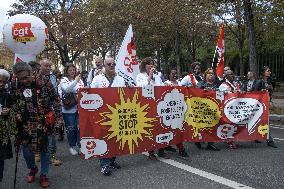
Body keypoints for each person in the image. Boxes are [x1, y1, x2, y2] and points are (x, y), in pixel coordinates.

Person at [11, 62, 62, 188]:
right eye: (21, 78)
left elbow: (56, 99)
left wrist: (59, 117)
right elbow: (13, 101)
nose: (24, 80)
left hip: (44, 123)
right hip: (25, 124)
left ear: (31, 73)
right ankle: (33, 168)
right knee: (27, 152)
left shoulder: (44, 82)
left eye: (26, 77)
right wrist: (16, 112)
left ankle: (44, 174)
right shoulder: (15, 85)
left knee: (45, 150)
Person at [90, 57, 124, 176]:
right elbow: (91, 94)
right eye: (109, 64)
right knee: (104, 139)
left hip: (117, 114)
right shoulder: (97, 78)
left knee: (115, 139)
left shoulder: (120, 79)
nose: (111, 65)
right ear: (104, 65)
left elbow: (124, 96)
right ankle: (104, 165)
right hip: (101, 114)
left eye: (113, 64)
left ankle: (112, 160)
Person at [136, 57, 169, 160]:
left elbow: (161, 87)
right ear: (144, 66)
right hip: (147, 106)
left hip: (159, 105)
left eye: (153, 64)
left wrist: (168, 85)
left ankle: (161, 150)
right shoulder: (140, 76)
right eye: (149, 64)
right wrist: (149, 77)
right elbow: (141, 88)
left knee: (161, 127)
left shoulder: (158, 76)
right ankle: (150, 152)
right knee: (151, 129)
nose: (151, 66)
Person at [38, 59, 62, 166]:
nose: (48, 68)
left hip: (48, 114)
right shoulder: (32, 79)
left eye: (50, 66)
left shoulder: (50, 79)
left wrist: (59, 116)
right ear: (40, 66)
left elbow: (55, 98)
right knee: (38, 137)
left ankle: (52, 157)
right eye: (46, 66)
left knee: (51, 138)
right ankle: (39, 154)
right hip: (35, 116)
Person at [59, 63, 84, 155]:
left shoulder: (79, 80)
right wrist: (76, 81)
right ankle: (72, 146)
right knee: (71, 128)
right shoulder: (64, 80)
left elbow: (81, 90)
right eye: (70, 70)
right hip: (69, 109)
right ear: (66, 71)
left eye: (73, 70)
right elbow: (66, 89)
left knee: (80, 128)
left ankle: (80, 145)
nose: (72, 72)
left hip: (80, 107)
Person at [164, 69, 189, 157]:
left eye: (176, 74)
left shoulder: (179, 83)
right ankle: (164, 147)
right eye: (172, 74)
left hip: (178, 111)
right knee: (166, 129)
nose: (175, 75)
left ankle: (181, 149)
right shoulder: (165, 83)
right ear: (169, 75)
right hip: (168, 111)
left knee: (177, 130)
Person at [196, 68, 221, 151]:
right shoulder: (201, 84)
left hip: (213, 108)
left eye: (212, 73)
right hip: (202, 108)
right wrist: (203, 91)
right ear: (205, 75)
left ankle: (210, 143)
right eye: (209, 73)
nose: (211, 74)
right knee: (202, 125)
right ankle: (197, 140)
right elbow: (195, 93)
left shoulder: (217, 85)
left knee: (213, 125)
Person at [0, 69, 16, 182]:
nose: (1, 84)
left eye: (4, 82)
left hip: (2, 133)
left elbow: (12, 112)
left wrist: (9, 111)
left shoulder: (6, 95)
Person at [255, 66, 277, 148]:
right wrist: (261, 92)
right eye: (268, 71)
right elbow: (254, 93)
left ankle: (256, 137)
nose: (269, 72)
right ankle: (270, 140)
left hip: (266, 104)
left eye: (269, 71)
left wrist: (270, 89)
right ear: (263, 73)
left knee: (260, 121)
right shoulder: (259, 82)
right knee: (265, 121)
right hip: (260, 106)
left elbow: (269, 93)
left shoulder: (269, 81)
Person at [218, 70, 240, 149]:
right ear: (226, 76)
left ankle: (231, 139)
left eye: (233, 74)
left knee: (234, 124)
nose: (233, 76)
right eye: (231, 74)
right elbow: (222, 96)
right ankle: (229, 141)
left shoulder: (235, 84)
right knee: (228, 124)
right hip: (227, 108)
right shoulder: (223, 85)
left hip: (235, 107)